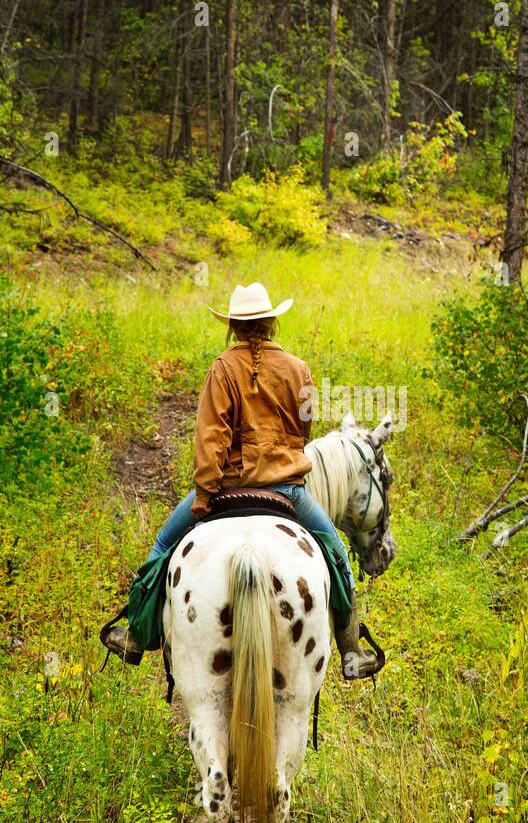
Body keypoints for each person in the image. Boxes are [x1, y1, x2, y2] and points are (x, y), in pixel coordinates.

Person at [101, 282, 381, 676]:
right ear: (271, 322)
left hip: (229, 487)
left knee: (164, 543)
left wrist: (204, 494)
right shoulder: (297, 369)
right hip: (286, 489)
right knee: (336, 556)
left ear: (233, 326)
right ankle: (352, 650)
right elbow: (303, 431)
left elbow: (212, 437)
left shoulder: (222, 368)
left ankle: (135, 634)